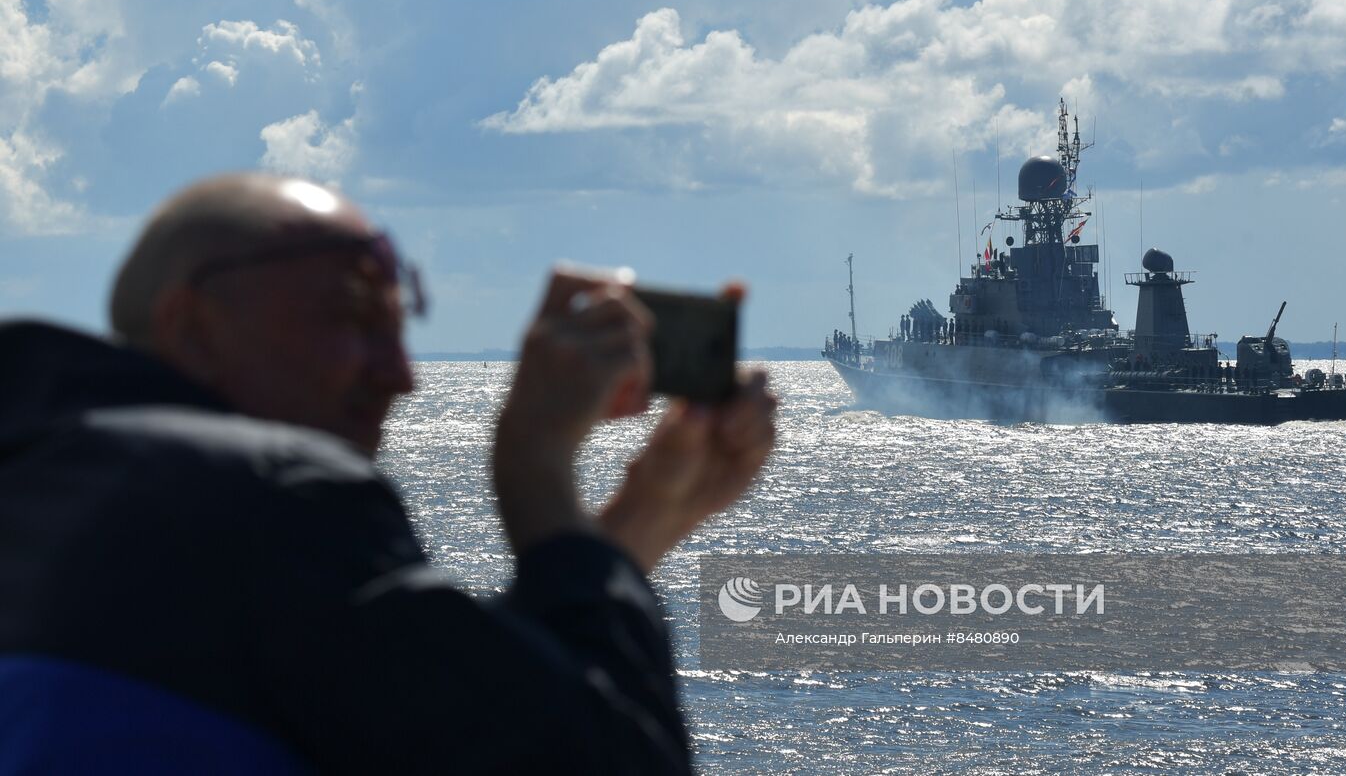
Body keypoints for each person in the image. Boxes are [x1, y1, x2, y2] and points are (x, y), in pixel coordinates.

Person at [0, 174, 777, 773]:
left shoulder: (52, 483)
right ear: (190, 324)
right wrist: (535, 465)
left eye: (401, 328)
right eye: (356, 319)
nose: (400, 376)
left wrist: (639, 524)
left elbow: (457, 719)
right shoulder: (278, 499)